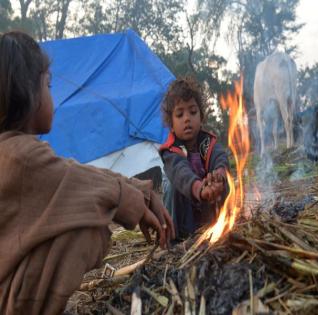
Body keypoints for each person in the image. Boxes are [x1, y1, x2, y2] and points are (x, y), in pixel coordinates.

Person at [0, 31, 175, 315]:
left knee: (87, 206)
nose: (52, 94)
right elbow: (79, 183)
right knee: (87, 226)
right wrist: (132, 199)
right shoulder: (22, 157)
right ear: (29, 92)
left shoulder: (13, 151)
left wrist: (138, 191)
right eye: (49, 85)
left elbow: (75, 174)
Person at [160, 77, 229, 239]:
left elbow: (220, 158)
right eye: (179, 114)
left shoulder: (208, 143)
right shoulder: (171, 150)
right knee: (172, 186)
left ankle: (218, 228)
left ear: (201, 116)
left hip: (205, 207)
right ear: (171, 122)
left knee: (226, 182)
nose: (187, 119)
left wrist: (218, 178)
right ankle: (176, 239)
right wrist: (200, 189)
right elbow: (180, 173)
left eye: (192, 112)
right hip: (183, 207)